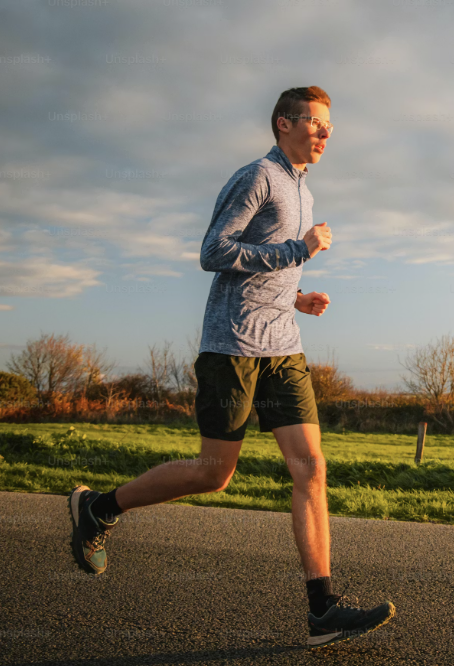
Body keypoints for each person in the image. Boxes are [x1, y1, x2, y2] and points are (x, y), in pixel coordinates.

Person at [67, 85, 396, 649]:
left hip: (283, 349)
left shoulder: (304, 192)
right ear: (282, 124)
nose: (325, 134)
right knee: (213, 474)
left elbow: (266, 265)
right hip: (233, 349)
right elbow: (213, 252)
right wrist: (299, 252)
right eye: (315, 124)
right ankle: (98, 508)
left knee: (310, 469)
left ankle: (322, 609)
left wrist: (297, 297)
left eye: (330, 127)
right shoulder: (257, 177)